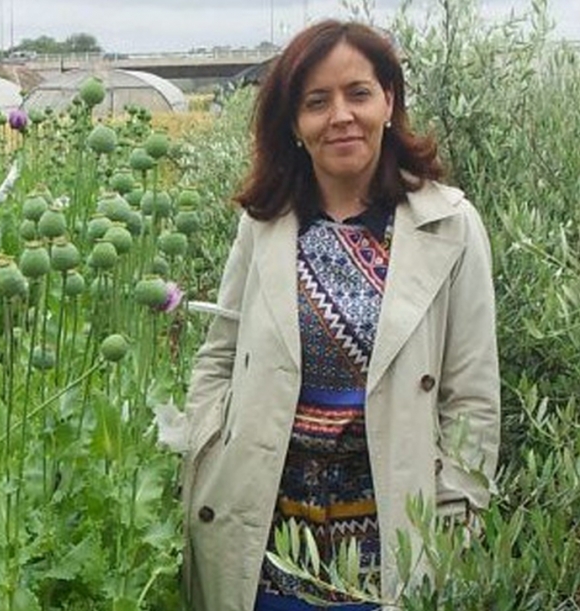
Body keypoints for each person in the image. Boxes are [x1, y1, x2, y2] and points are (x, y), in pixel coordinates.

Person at [181, 19, 500, 611]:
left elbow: (472, 398)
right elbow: (220, 354)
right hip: (264, 538)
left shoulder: (450, 226)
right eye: (316, 101)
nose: (341, 116)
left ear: (389, 101)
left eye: (358, 93)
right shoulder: (264, 224)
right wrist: (206, 447)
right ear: (295, 125)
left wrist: (457, 519)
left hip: (394, 542)